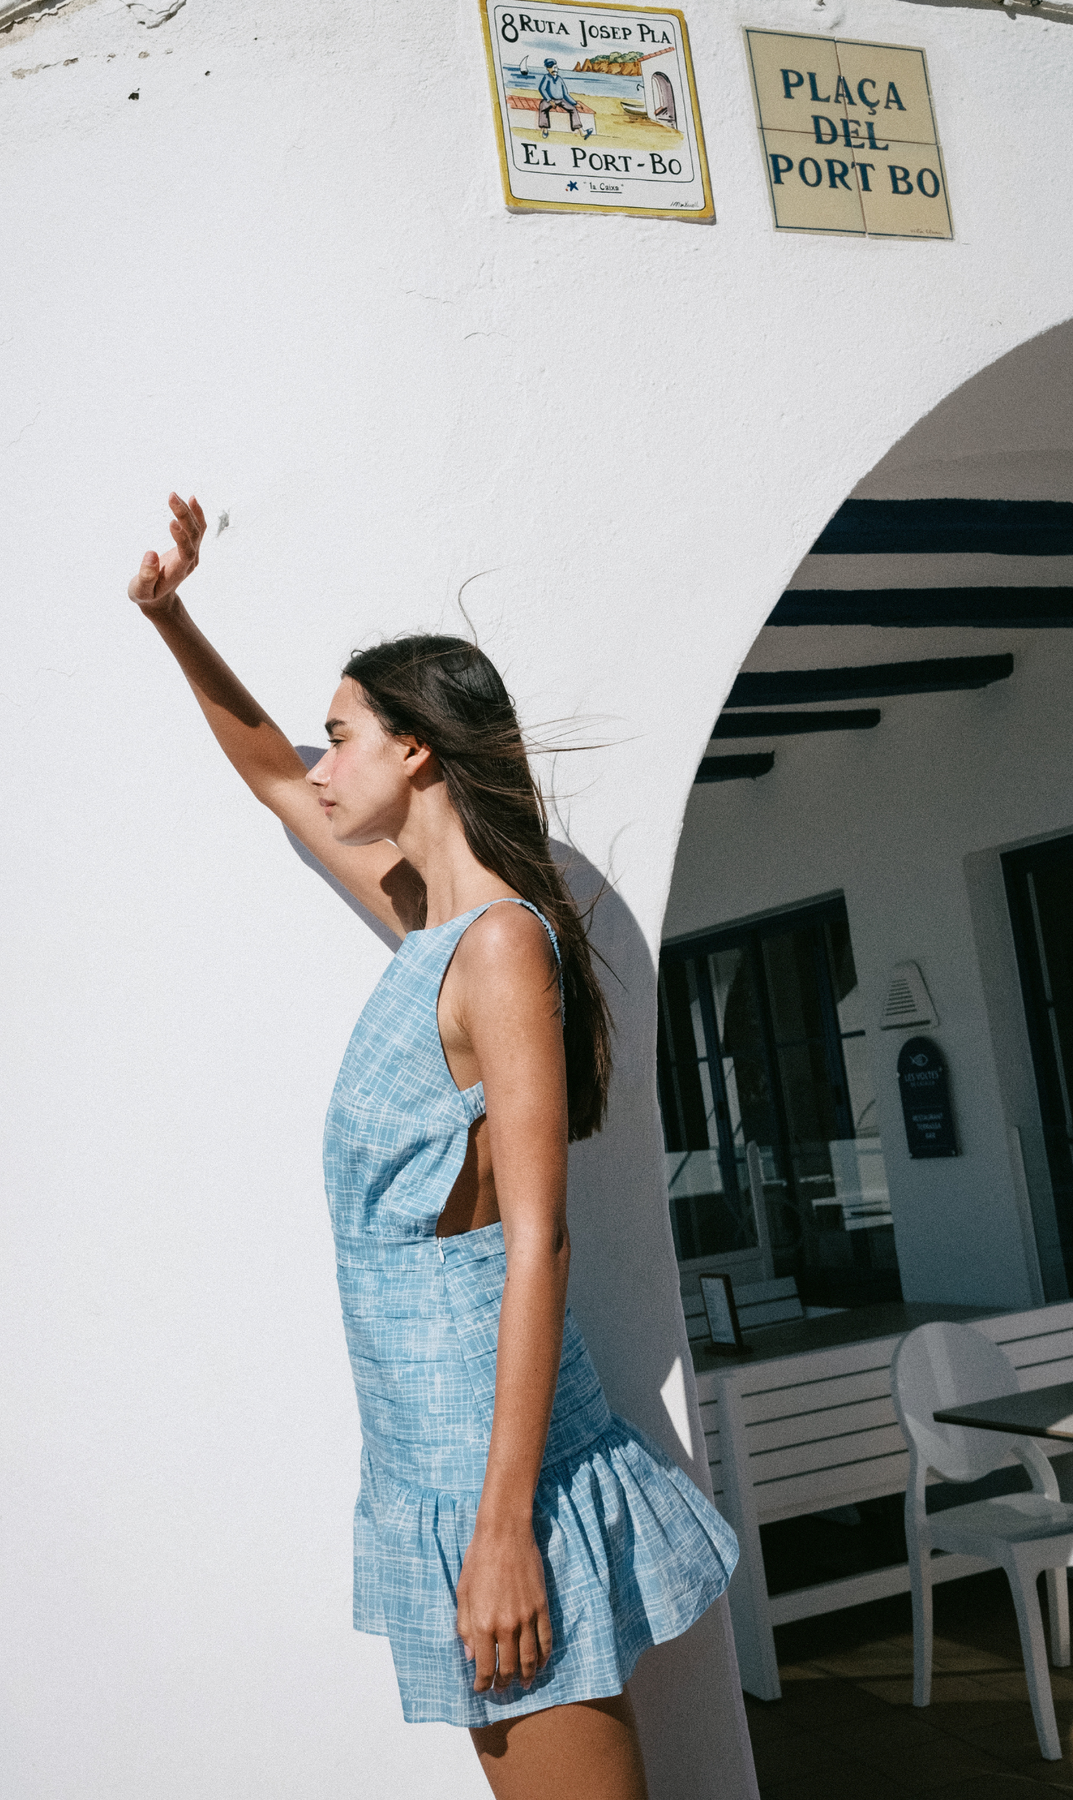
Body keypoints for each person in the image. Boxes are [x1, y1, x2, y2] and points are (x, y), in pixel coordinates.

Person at [128, 494, 738, 1800]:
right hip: (433, 1443)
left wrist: (505, 1526)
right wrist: (173, 617)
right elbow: (272, 775)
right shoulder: (429, 922)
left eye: (344, 734)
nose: (323, 762)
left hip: (485, 1462)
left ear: (414, 752)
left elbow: (540, 1238)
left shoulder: (502, 944)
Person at [538, 58, 592, 139]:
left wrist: (574, 103)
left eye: (556, 68)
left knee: (573, 109)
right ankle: (545, 130)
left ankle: (582, 132)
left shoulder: (559, 79)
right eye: (553, 68)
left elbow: (565, 94)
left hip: (560, 100)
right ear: (548, 69)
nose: (555, 70)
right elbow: (542, 89)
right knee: (543, 107)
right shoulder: (546, 77)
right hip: (549, 100)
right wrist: (549, 100)